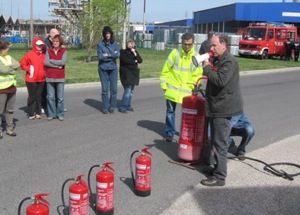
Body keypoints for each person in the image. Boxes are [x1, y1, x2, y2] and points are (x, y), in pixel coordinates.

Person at [199, 34, 243, 187]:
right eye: (211, 46)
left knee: (220, 143)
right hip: (216, 107)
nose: (211, 48)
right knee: (216, 141)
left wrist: (207, 67)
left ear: (223, 44)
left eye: (213, 45)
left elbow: (220, 80)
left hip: (223, 108)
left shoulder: (229, 61)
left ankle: (220, 177)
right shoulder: (219, 60)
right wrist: (208, 65)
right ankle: (216, 168)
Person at [160, 32, 203, 142]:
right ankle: (170, 133)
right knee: (170, 112)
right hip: (173, 89)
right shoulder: (175, 53)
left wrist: (194, 87)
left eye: (189, 44)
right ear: (182, 43)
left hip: (187, 91)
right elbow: (166, 69)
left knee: (187, 115)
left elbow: (198, 75)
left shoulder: (197, 57)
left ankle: (186, 134)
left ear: (193, 43)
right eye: (185, 44)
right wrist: (164, 84)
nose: (187, 46)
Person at [20, 37, 46, 120]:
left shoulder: (44, 55)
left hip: (41, 79)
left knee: (39, 96)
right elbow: (22, 64)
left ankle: (38, 112)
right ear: (34, 45)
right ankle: (31, 113)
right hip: (31, 79)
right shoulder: (29, 55)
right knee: (32, 96)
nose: (40, 46)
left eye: (41, 45)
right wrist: (29, 69)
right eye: (38, 45)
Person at [97, 26, 120, 114]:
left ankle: (112, 106)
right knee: (105, 90)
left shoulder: (115, 44)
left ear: (111, 34)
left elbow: (117, 55)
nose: (107, 35)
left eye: (109, 33)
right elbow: (100, 57)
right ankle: (105, 107)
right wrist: (112, 54)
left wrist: (107, 55)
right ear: (104, 34)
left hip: (113, 68)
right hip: (103, 68)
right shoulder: (100, 44)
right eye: (106, 33)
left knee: (114, 89)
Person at [44, 35, 67, 121]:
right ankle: (52, 114)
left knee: (60, 98)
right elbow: (46, 62)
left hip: (60, 77)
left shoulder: (64, 51)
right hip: (50, 76)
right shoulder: (48, 50)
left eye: (57, 41)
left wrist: (52, 60)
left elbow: (63, 62)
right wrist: (57, 66)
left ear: (60, 42)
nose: (55, 43)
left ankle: (60, 113)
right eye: (54, 41)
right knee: (50, 97)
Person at [0, 39, 19, 138]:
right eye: (7, 48)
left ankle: (9, 128)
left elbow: (17, 64)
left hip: (12, 88)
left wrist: (8, 68)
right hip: (2, 89)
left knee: (10, 110)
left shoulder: (8, 57)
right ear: (2, 49)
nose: (8, 50)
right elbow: (2, 70)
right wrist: (10, 69)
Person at [118, 39, 143, 113]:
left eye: (132, 44)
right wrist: (134, 61)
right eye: (129, 44)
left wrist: (135, 53)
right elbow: (125, 61)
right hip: (126, 73)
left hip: (134, 73)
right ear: (127, 44)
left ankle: (128, 105)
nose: (131, 45)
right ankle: (123, 106)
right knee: (128, 90)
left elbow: (140, 60)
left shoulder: (134, 52)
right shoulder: (123, 52)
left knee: (131, 90)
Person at [42, 28, 60, 114]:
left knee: (56, 90)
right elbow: (47, 59)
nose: (57, 37)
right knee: (47, 90)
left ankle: (57, 107)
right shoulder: (45, 44)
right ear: (51, 35)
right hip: (48, 69)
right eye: (56, 35)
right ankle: (45, 106)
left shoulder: (57, 43)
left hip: (57, 71)